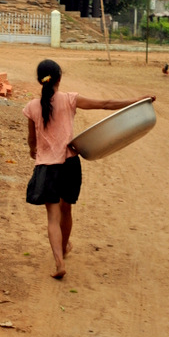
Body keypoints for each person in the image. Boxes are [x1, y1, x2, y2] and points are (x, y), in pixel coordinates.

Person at [23, 58, 156, 280]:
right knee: (67, 210)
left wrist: (34, 150)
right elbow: (106, 104)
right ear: (59, 78)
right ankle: (64, 248)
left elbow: (31, 140)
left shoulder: (32, 107)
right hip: (70, 163)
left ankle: (59, 261)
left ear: (40, 81)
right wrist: (138, 101)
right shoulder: (69, 99)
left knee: (52, 218)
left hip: (47, 167)